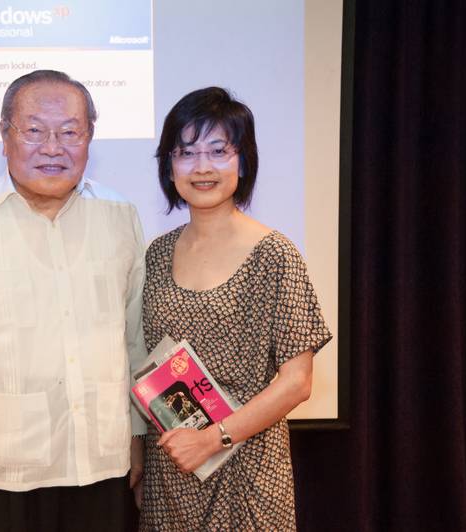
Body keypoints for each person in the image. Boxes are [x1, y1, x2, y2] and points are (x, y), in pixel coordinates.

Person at [0, 70, 147, 530]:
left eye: (70, 132)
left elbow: (134, 336)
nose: (53, 148)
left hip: (103, 460)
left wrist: (138, 434)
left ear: (90, 137)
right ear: (5, 136)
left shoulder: (120, 216)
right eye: (35, 131)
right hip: (3, 467)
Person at [137, 87, 332, 530]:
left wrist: (211, 440)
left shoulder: (274, 255)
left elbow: (297, 383)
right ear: (169, 165)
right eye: (186, 152)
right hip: (172, 470)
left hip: (246, 468)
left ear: (242, 162)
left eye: (218, 151)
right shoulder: (157, 254)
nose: (202, 166)